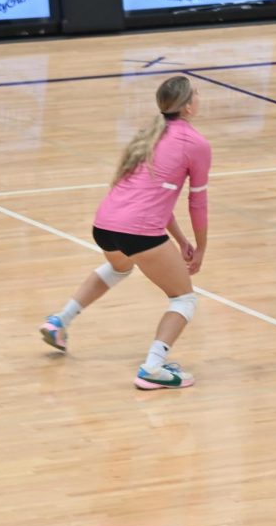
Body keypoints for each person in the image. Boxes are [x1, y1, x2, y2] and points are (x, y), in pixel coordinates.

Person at [39, 76, 210, 390]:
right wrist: (199, 247)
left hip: (105, 224)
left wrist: (182, 240)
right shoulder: (196, 144)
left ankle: (60, 321)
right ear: (187, 106)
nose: (200, 97)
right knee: (184, 299)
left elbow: (155, 198)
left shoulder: (149, 134)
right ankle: (153, 368)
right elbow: (197, 202)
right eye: (196, 94)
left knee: (120, 267)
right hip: (138, 230)